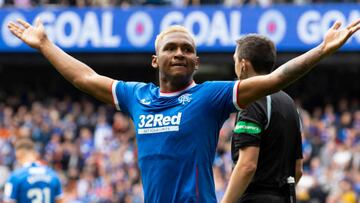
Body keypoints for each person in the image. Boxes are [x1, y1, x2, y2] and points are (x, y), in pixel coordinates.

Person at [7, 18, 360, 202]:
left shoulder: (211, 96)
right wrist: (45, 45)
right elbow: (86, 77)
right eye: (171, 47)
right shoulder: (136, 96)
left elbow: (277, 77)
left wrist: (321, 51)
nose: (179, 52)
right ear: (154, 59)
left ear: (196, 60)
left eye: (187, 49)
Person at [221, 34, 303, 203]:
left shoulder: (251, 102)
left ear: (243, 65)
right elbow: (298, 170)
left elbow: (247, 166)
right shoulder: (290, 103)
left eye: (236, 60)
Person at [3, 138, 63, 203]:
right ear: (35, 153)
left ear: (18, 154)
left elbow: (8, 201)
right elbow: (60, 200)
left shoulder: (15, 177)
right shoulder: (53, 175)